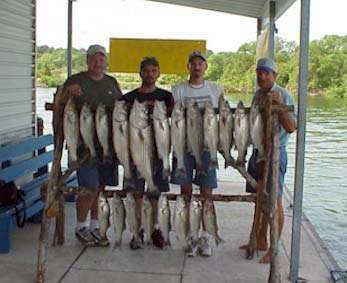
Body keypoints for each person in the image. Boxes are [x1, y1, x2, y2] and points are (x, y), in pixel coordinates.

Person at [63, 44, 122, 247]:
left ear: (105, 61)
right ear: (87, 60)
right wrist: (67, 92)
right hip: (84, 147)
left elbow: (120, 106)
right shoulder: (76, 80)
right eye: (94, 58)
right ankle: (81, 226)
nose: (98, 62)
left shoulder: (112, 82)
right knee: (88, 188)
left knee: (101, 188)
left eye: (101, 58)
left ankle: (96, 226)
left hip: (107, 146)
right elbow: (62, 101)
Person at [242, 57, 297, 263]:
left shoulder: (284, 94)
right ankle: (259, 239)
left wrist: (280, 105)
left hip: (276, 153)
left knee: (275, 201)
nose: (261, 76)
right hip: (258, 153)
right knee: (259, 200)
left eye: (266, 73)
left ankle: (273, 249)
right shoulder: (257, 94)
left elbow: (292, 127)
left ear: (275, 76)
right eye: (259, 72)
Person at [171, 51, 224, 257]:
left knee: (206, 193)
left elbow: (223, 117)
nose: (197, 67)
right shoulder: (178, 90)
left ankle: (206, 235)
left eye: (200, 63)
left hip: (207, 148)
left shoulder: (216, 88)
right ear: (188, 67)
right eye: (193, 64)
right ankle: (189, 235)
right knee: (185, 193)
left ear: (206, 67)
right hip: (184, 147)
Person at [121, 57, 174, 249]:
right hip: (137, 151)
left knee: (154, 195)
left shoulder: (167, 97)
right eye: (146, 70)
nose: (150, 74)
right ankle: (137, 230)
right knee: (136, 194)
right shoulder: (128, 98)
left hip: (159, 154)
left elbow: (177, 123)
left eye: (154, 70)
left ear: (158, 73)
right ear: (140, 73)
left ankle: (154, 229)